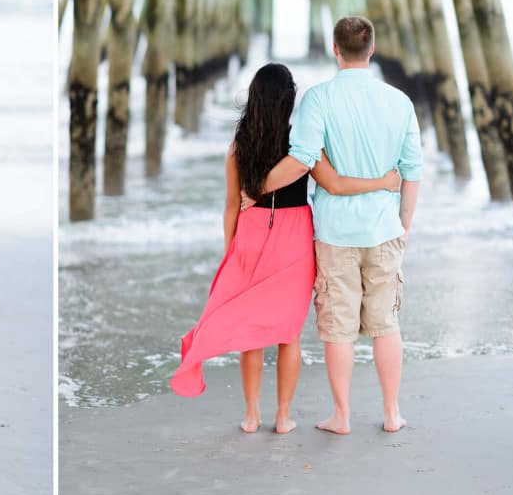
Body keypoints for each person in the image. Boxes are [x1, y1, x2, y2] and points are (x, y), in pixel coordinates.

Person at [169, 63, 399, 434]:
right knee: (287, 333)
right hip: (294, 241)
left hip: (251, 238)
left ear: (253, 99)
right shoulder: (301, 145)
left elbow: (230, 206)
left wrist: (231, 252)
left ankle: (250, 415)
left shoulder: (238, 148)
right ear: (290, 101)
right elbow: (335, 184)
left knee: (252, 333)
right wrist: (384, 182)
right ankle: (283, 416)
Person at [254, 16, 422, 435]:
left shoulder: (319, 99)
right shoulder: (399, 102)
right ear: (372, 49)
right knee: (386, 325)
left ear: (334, 49)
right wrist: (403, 223)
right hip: (383, 229)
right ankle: (391, 413)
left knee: (338, 329)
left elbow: (302, 159)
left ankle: (342, 416)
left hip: (334, 234)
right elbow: (412, 171)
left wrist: (258, 188)